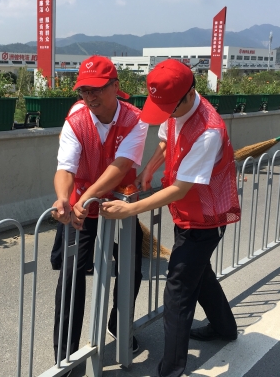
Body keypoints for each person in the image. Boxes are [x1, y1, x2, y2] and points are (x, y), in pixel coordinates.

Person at [100, 59, 241, 377]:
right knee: (198, 273)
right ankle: (225, 328)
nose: (166, 114)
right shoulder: (175, 108)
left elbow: (179, 189)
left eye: (170, 108)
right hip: (187, 213)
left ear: (189, 94)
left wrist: (130, 209)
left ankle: (171, 369)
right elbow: (166, 140)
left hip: (206, 218)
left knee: (178, 290)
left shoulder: (209, 131)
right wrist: (150, 168)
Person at [50, 55, 148, 361]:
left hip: (119, 204)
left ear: (115, 86)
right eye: (84, 90)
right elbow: (65, 167)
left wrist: (87, 198)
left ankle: (119, 325)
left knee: (131, 267)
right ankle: (65, 355)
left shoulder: (136, 120)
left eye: (97, 89)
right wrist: (63, 198)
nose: (90, 96)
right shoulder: (76, 119)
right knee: (71, 275)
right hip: (82, 205)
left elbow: (120, 167)